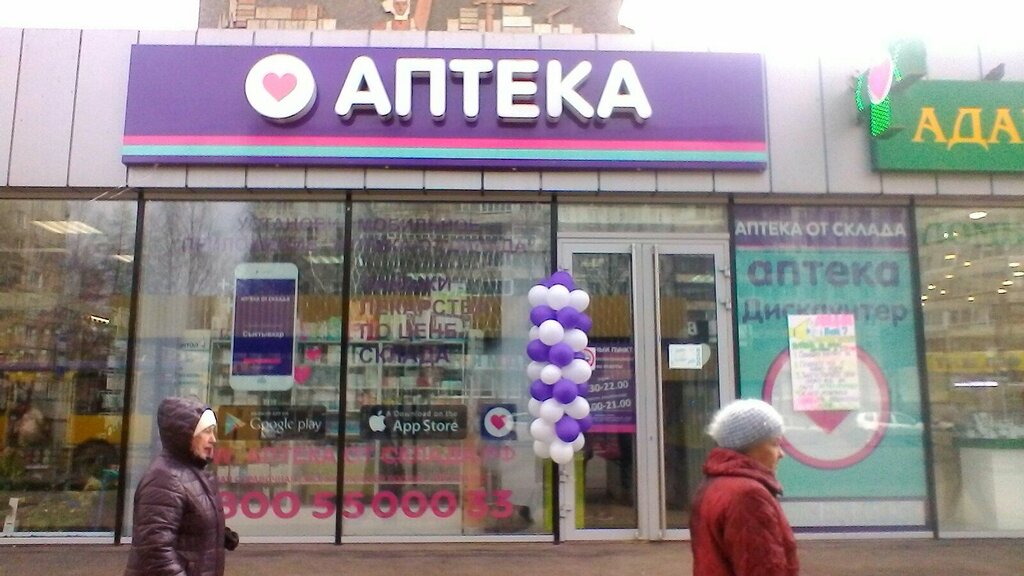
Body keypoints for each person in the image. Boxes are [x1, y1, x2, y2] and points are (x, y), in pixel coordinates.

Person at [124, 397, 238, 576]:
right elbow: (156, 550)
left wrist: (218, 534)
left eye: (213, 431)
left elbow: (189, 525)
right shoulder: (163, 479)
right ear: (184, 434)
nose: (213, 439)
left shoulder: (195, 472)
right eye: (206, 431)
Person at [690, 398, 799, 576]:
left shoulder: (715, 485)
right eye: (774, 444)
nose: (781, 454)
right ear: (748, 446)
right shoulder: (749, 495)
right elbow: (762, 568)